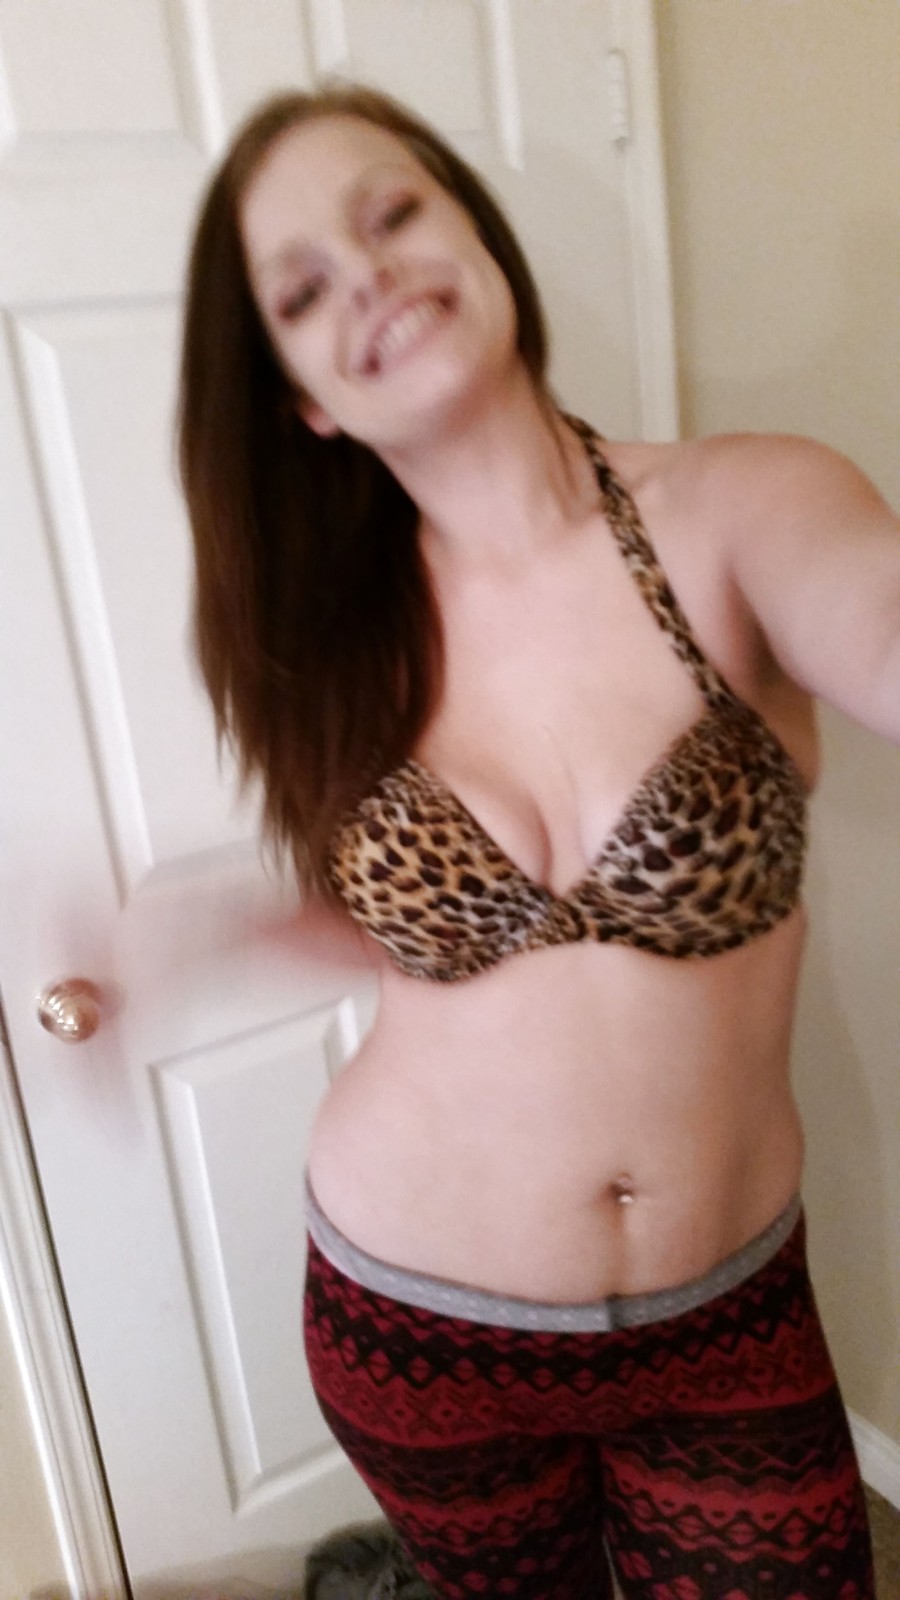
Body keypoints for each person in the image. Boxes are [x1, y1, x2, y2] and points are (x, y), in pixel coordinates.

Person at [178, 80, 899, 1600]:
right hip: (415, 1329)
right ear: (305, 400)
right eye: (302, 291)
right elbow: (408, 930)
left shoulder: (745, 508)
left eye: (394, 211)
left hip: (725, 1320)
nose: (369, 273)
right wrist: (197, 938)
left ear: (481, 237)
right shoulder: (338, 644)